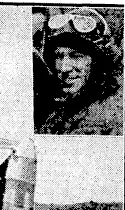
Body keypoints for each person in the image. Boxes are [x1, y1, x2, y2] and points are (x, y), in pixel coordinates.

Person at [36, 7, 122, 135]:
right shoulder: (63, 111)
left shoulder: (104, 121)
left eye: (76, 56)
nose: (64, 68)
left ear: (98, 63)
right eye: (58, 56)